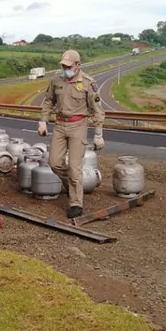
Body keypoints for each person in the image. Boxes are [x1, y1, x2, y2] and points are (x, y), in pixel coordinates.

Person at [38, 49, 106, 219]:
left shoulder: (88, 83)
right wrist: (43, 121)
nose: (65, 68)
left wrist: (98, 134)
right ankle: (73, 186)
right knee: (54, 163)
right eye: (63, 65)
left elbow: (97, 110)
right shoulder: (56, 80)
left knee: (75, 168)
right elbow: (48, 101)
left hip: (78, 125)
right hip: (60, 124)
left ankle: (76, 203)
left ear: (78, 65)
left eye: (68, 66)